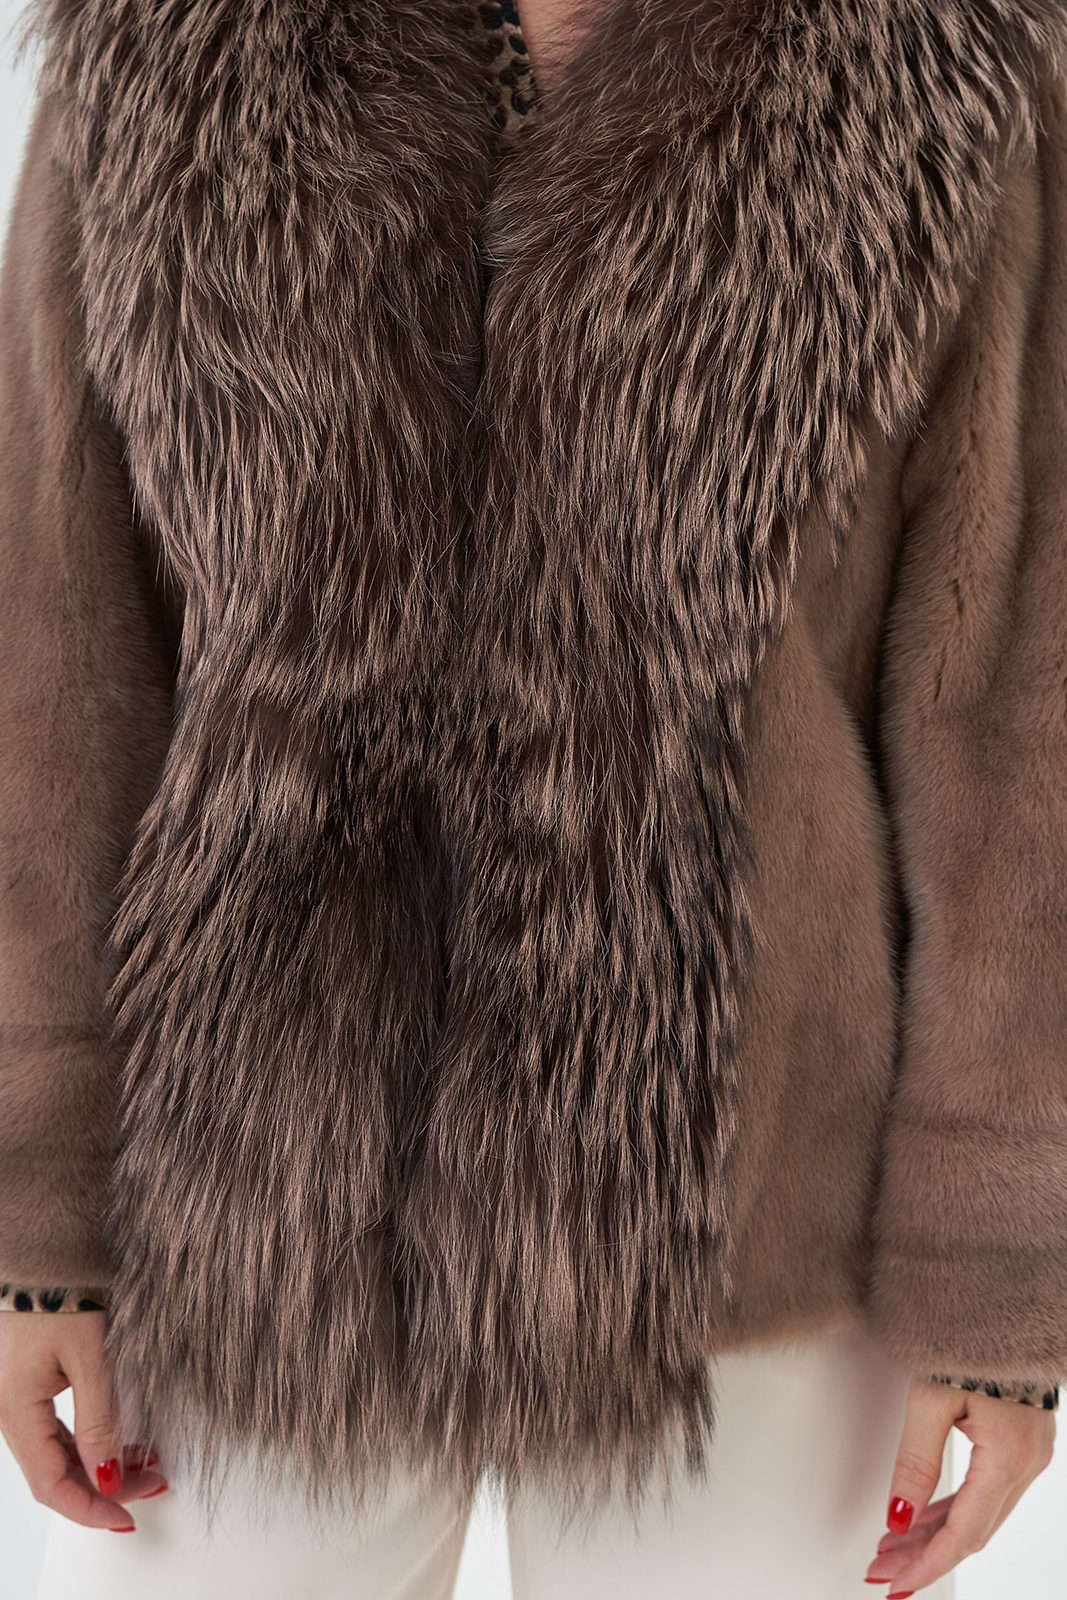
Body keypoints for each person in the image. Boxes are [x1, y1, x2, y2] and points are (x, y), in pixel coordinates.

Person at [0, 0, 1065, 1595]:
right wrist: (37, 1222)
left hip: (749, 1209)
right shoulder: (163, 53)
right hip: (248, 1205)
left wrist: (997, 1270)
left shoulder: (934, 67)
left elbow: (1015, 710)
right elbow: (53, 655)